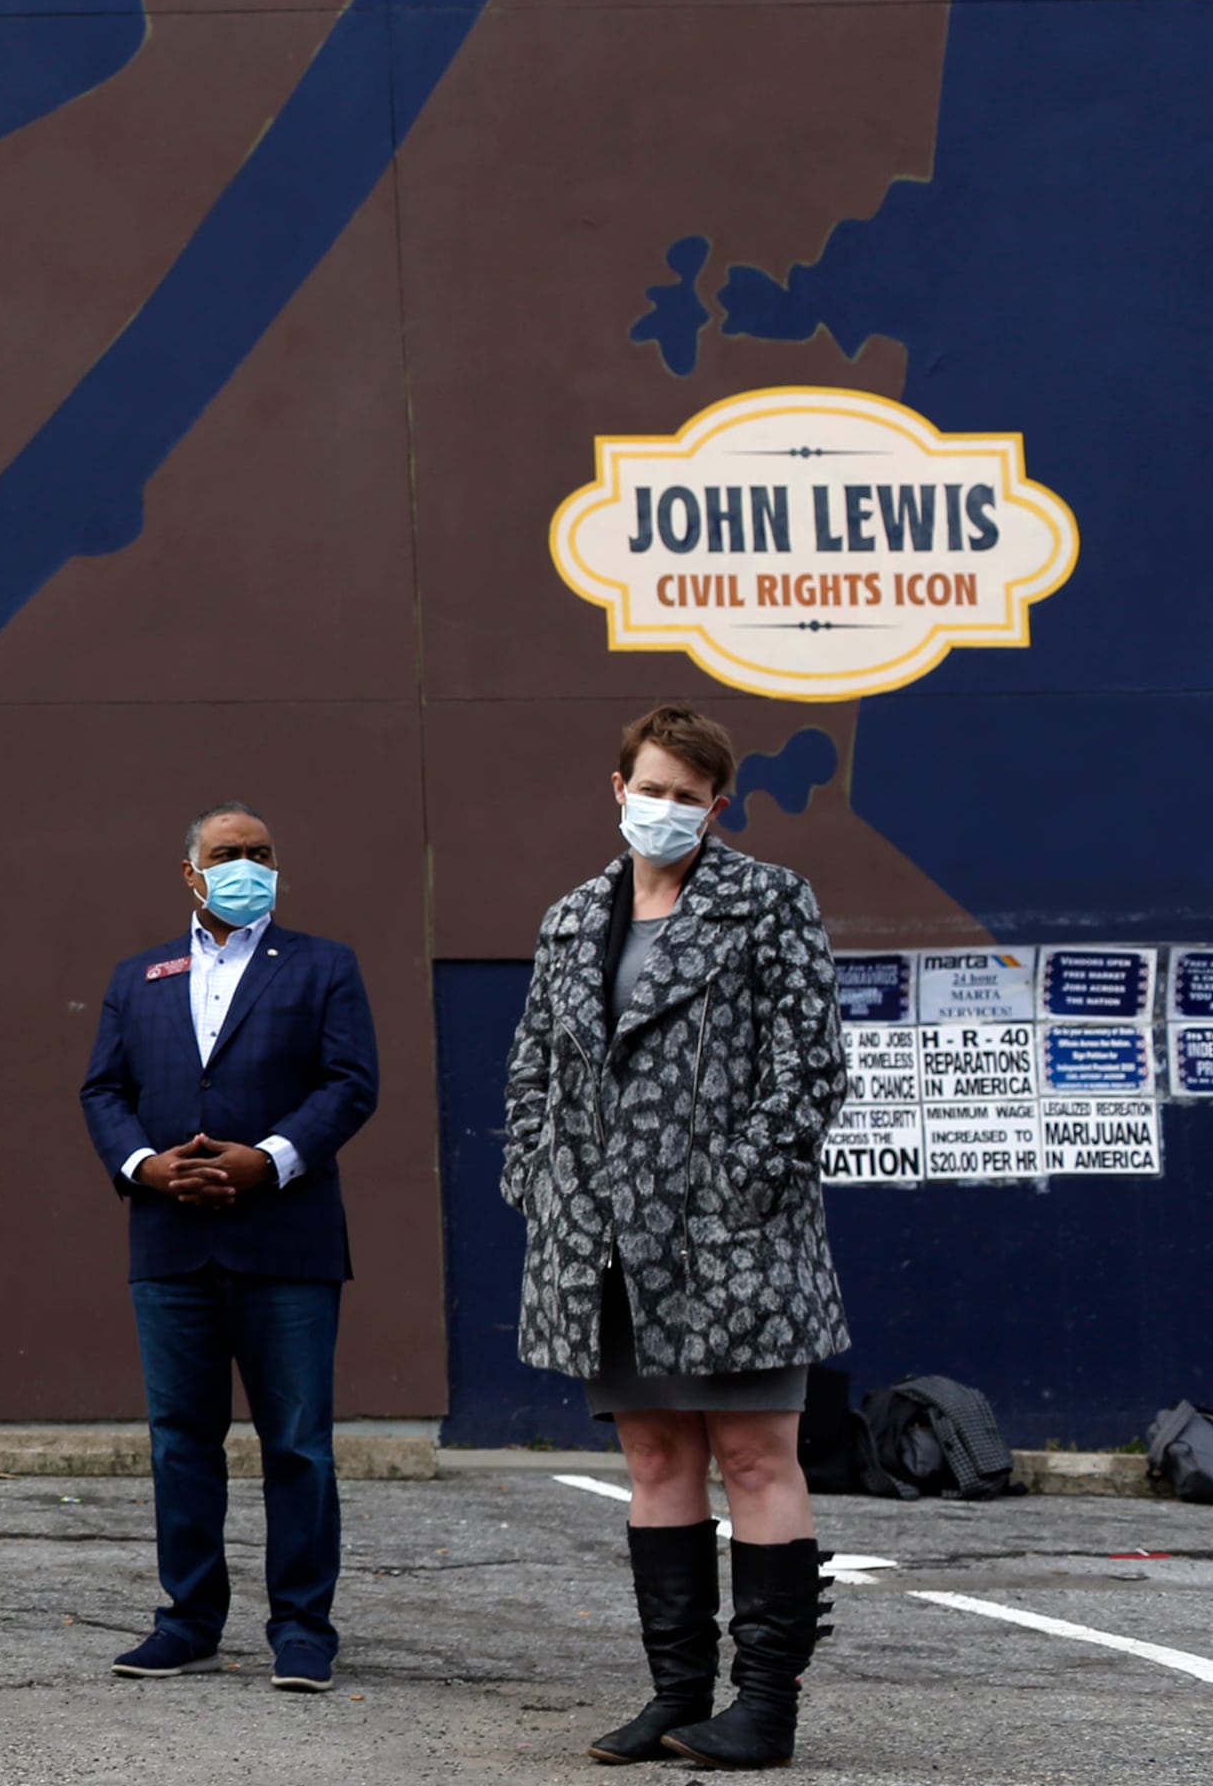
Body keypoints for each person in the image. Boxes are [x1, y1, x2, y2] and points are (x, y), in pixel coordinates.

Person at [501, 705, 851, 1770]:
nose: (665, 810)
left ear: (717, 805)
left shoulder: (767, 902)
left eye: (688, 797)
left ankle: (765, 1708)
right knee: (656, 1457)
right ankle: (675, 1697)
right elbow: (534, 1072)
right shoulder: (571, 919)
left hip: (733, 1238)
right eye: (650, 789)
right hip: (603, 1243)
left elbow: (812, 1065)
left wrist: (740, 1180)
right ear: (617, 788)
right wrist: (540, 1180)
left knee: (753, 1453)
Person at [76, 803, 379, 1694]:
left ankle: (303, 1628)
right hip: (170, 1242)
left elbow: (351, 1083)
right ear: (190, 873)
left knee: (298, 1445)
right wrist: (145, 1164)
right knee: (180, 1441)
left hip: (287, 1240)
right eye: (228, 854)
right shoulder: (139, 978)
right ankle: (189, 1619)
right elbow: (102, 1091)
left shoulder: (324, 965)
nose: (247, 866)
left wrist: (267, 1160)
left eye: (262, 854)